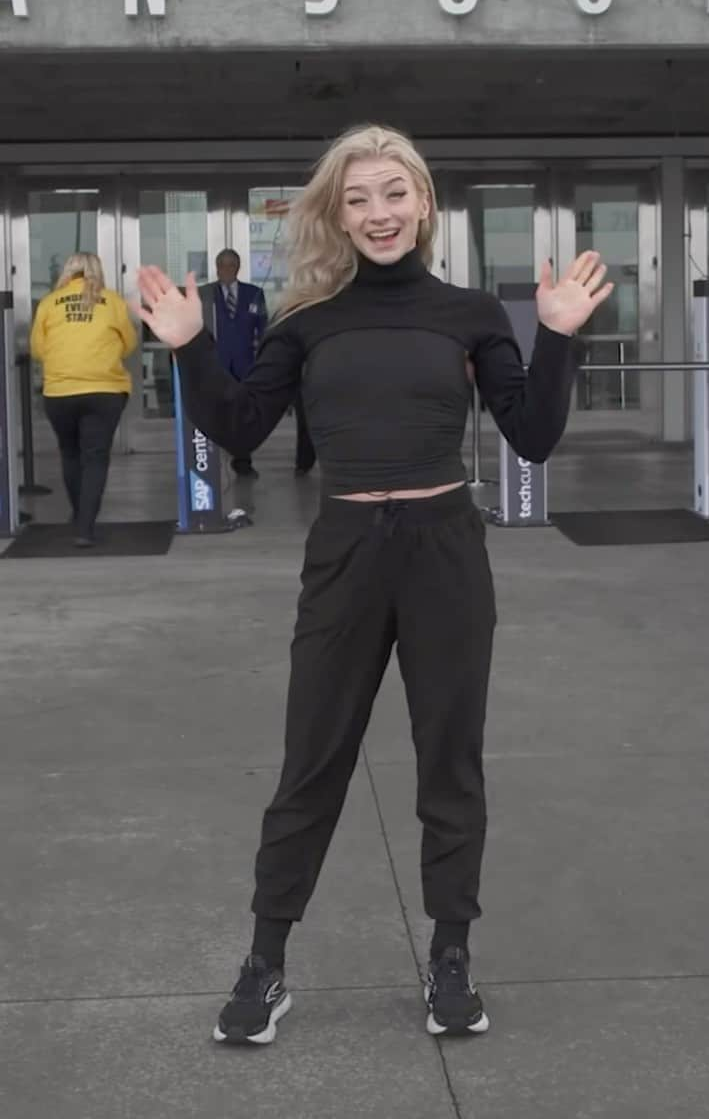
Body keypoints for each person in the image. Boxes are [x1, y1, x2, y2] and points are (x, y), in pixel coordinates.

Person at [134, 124, 613, 1046]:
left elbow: (535, 435)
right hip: (347, 549)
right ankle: (266, 963)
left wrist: (553, 338)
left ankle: (451, 960)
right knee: (310, 762)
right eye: (357, 199)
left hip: (444, 552)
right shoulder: (308, 324)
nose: (378, 212)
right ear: (337, 215)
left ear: (423, 203)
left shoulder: (471, 315)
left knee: (450, 764)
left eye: (393, 193)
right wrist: (191, 347)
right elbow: (240, 428)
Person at [30, 251, 136, 547]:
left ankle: (80, 514)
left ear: (68, 271)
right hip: (104, 391)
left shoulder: (50, 303)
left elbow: (38, 349)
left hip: (60, 392)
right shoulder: (112, 301)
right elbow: (129, 342)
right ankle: (85, 528)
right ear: (97, 271)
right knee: (95, 457)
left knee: (70, 454)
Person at [199, 249, 268, 476]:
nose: (226, 270)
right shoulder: (204, 294)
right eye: (222, 265)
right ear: (216, 268)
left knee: (241, 416)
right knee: (213, 414)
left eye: (231, 265)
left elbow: (263, 329)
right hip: (214, 365)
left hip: (244, 365)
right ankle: (207, 460)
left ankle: (242, 460)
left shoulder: (254, 294)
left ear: (238, 268)